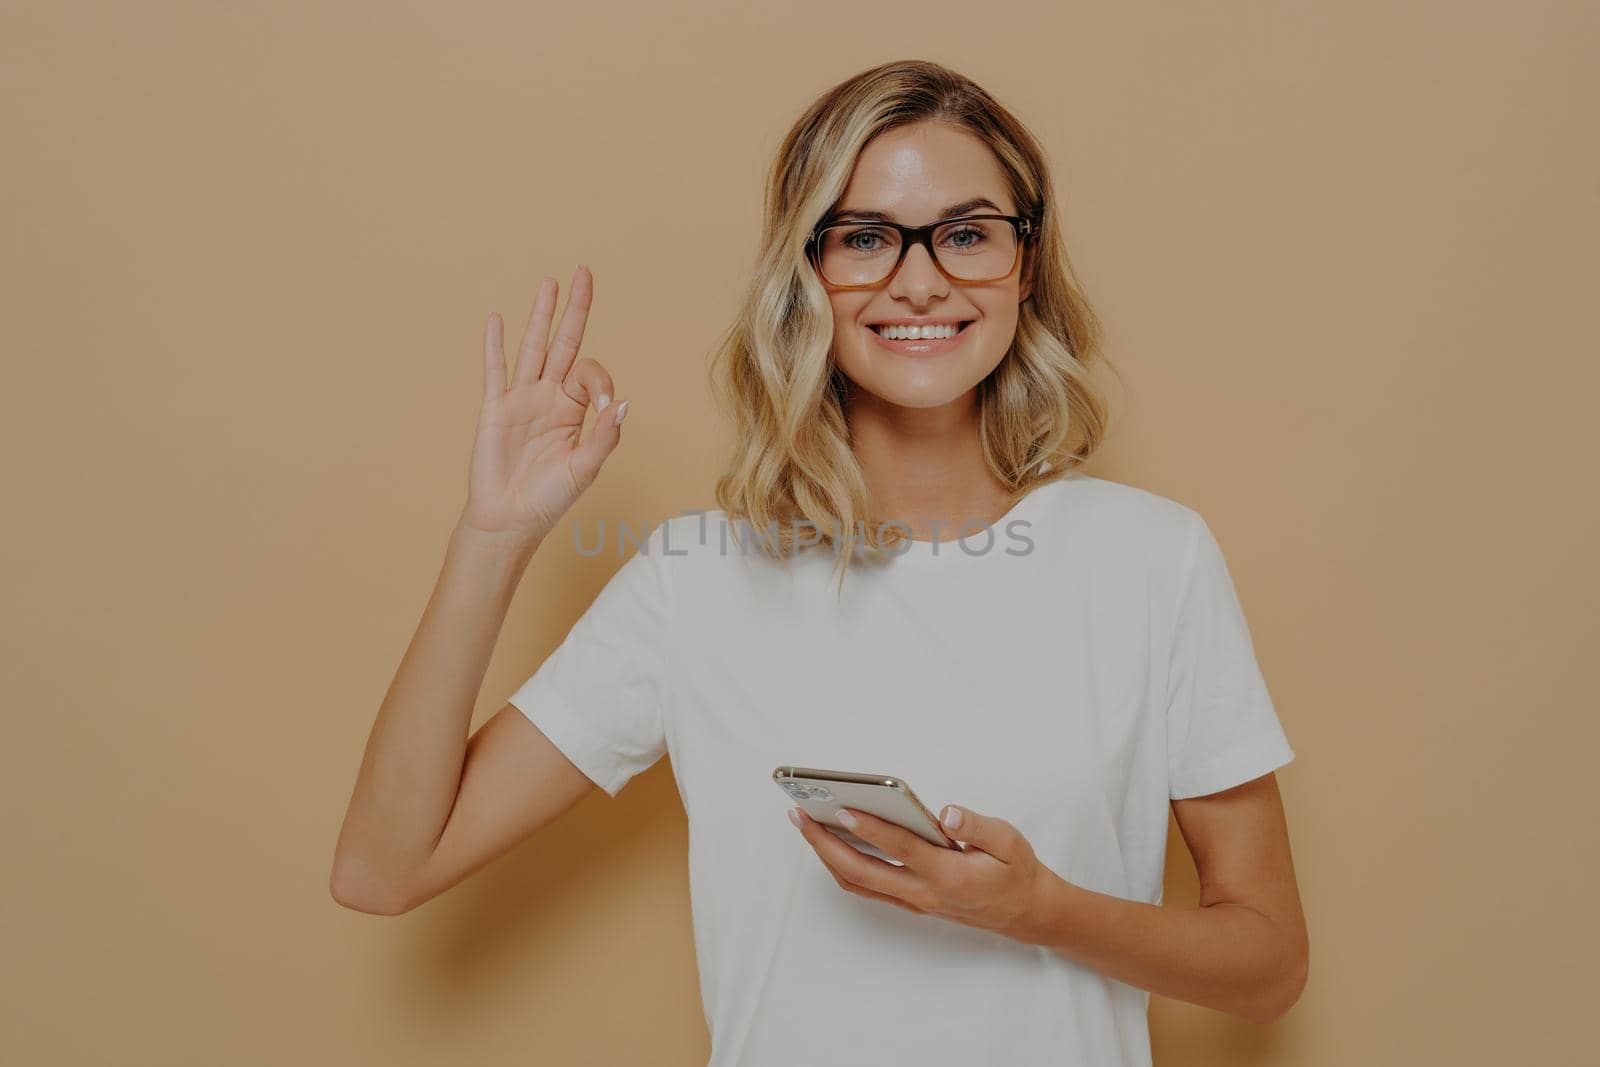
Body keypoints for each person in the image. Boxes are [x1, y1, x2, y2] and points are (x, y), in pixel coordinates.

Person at [331, 59, 1309, 1066]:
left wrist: (1039, 907)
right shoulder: (696, 579)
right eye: (867, 238)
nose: (920, 278)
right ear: (806, 273)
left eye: (967, 233)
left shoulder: (1152, 559)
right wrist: (493, 538)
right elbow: (381, 866)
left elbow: (1268, 961)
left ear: (1026, 267)